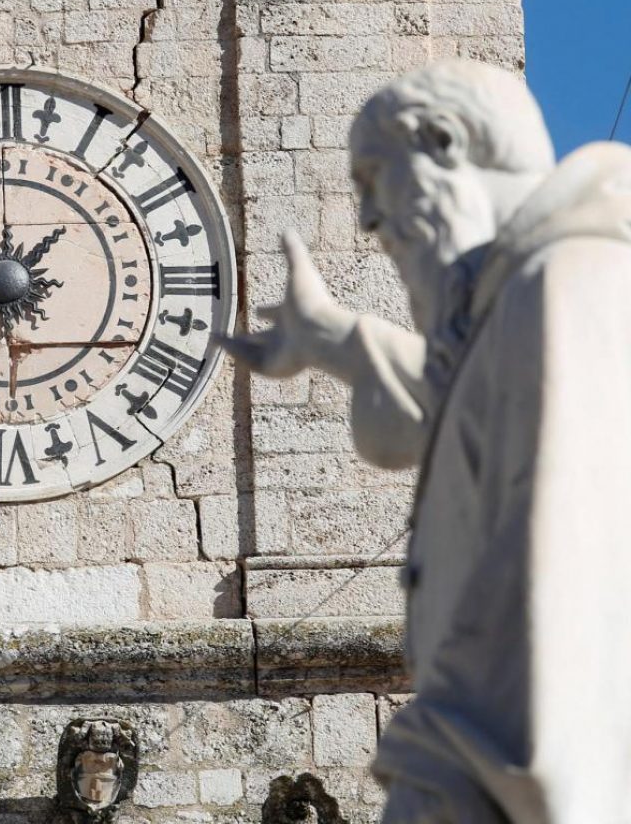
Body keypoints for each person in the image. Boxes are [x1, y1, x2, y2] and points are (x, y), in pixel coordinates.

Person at [219, 59, 631, 823]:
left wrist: (447, 762)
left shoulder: (571, 280)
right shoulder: (536, 298)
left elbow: (562, 581)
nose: (368, 220)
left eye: (375, 179)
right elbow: (469, 403)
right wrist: (341, 341)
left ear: (444, 143)